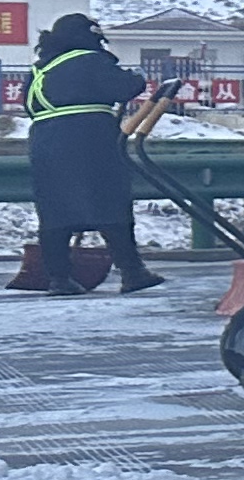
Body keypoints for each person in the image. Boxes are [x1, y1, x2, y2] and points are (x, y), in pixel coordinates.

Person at [21, 16, 158, 295]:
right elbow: (125, 87)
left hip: (45, 143)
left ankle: (59, 278)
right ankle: (132, 272)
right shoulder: (91, 60)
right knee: (110, 202)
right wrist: (137, 77)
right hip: (91, 140)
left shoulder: (39, 69)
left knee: (55, 210)